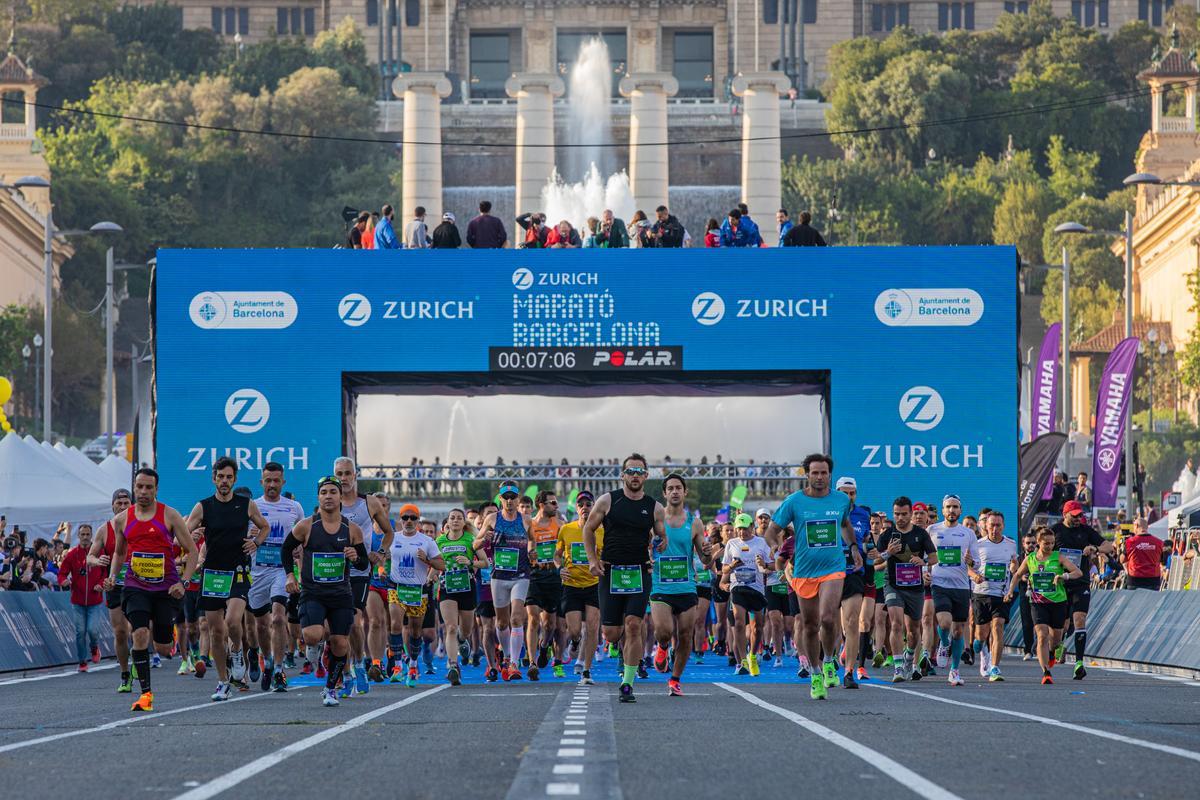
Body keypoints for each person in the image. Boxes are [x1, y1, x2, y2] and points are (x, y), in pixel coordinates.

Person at [104, 468, 200, 712]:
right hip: (136, 586)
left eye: (149, 487)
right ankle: (145, 694)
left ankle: (173, 641)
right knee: (139, 633)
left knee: (163, 648)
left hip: (165, 588)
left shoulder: (170, 515)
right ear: (134, 488)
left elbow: (192, 551)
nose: (143, 492)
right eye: (140, 487)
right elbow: (119, 552)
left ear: (156, 489)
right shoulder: (122, 519)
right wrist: (113, 576)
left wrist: (184, 581)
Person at [768, 453, 859, 699]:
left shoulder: (841, 500)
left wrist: (852, 547)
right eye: (815, 473)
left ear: (830, 475)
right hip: (804, 571)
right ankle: (815, 674)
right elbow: (772, 530)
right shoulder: (794, 502)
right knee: (810, 625)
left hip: (833, 567)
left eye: (824, 473)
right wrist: (776, 549)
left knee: (828, 618)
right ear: (807, 475)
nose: (820, 477)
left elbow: (845, 524)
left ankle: (829, 661)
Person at [582, 453, 667, 704]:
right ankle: (616, 646)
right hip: (611, 571)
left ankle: (627, 683)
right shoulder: (608, 501)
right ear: (622, 475)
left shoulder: (655, 507)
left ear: (646, 475)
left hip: (640, 572)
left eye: (639, 471)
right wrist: (592, 560)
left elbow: (662, 537)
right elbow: (588, 528)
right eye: (630, 471)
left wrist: (660, 544)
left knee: (633, 625)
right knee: (610, 632)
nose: (635, 476)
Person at [185, 457, 271, 702]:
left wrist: (255, 543)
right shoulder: (203, 506)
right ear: (214, 478)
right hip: (213, 572)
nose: (224, 481)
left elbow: (264, 527)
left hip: (238, 570)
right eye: (220, 476)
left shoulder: (246, 504)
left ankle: (236, 651)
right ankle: (223, 682)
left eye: (229, 477)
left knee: (233, 622)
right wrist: (192, 532)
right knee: (215, 630)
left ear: (234, 479)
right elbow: (184, 530)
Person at [282, 476, 371, 707]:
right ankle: (316, 647)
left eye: (333, 492)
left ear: (341, 497)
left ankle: (330, 689)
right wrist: (290, 575)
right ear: (318, 497)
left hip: (341, 593)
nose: (329, 496)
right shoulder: (306, 526)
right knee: (312, 634)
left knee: (341, 643)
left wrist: (356, 557)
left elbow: (363, 564)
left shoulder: (352, 530)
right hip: (313, 591)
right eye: (324, 493)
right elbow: (286, 549)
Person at [334, 457, 394, 694]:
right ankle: (347, 669)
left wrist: (379, 553)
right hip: (334, 570)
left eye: (348, 473)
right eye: (340, 473)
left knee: (353, 620)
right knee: (336, 627)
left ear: (355, 475)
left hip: (360, 569)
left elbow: (388, 532)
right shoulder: (328, 501)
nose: (344, 478)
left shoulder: (368, 502)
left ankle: (358, 664)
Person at [248, 462, 306, 693]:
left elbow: (303, 536)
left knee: (279, 618)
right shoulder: (252, 507)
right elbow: (240, 538)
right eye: (268, 480)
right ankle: (268, 662)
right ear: (261, 482)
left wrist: (299, 549)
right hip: (257, 572)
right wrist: (250, 535)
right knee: (261, 625)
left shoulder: (294, 507)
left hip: (282, 570)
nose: (272, 485)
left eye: (276, 481)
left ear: (283, 482)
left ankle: (280, 670)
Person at [649, 473, 707, 696]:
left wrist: (709, 554)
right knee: (664, 631)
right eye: (670, 488)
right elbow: (644, 545)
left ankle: (675, 679)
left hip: (686, 587)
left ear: (685, 492)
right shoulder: (655, 520)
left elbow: (704, 559)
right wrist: (648, 556)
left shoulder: (695, 523)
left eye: (678, 488)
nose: (674, 491)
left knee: (685, 635)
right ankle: (663, 647)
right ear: (664, 493)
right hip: (661, 585)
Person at [1005, 526, 1083, 684]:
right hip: (1038, 602)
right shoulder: (1030, 559)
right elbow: (1018, 575)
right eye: (1046, 543)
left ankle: (1053, 652)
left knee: (1055, 639)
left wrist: (1064, 576)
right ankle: (1045, 672)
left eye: (1052, 543)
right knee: (1041, 635)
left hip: (1058, 602)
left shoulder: (1058, 557)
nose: (1049, 546)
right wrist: (1010, 591)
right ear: (1038, 543)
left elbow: (1078, 572)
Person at [875, 496, 936, 683]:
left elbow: (934, 558)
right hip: (892, 584)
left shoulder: (921, 534)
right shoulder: (887, 535)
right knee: (895, 624)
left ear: (910, 514)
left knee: (913, 631)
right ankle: (898, 666)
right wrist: (888, 553)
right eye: (896, 514)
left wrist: (923, 561)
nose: (899, 518)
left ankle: (910, 656)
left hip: (915, 587)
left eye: (903, 514)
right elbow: (876, 562)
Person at [477, 480, 533, 681]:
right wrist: (485, 539)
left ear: (517, 499)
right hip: (499, 576)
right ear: (500, 499)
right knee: (501, 623)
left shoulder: (526, 520)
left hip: (521, 575)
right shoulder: (492, 518)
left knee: (517, 617)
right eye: (506, 497)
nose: (509, 501)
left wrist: (532, 552)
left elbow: (532, 542)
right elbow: (475, 544)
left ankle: (514, 663)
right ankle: (507, 656)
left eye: (513, 497)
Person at [1051, 499, 1112, 679]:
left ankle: (1079, 663)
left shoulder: (1086, 531)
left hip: (1081, 582)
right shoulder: (1055, 530)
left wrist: (1094, 547)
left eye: (1080, 515)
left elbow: (1109, 546)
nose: (1078, 519)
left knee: (1079, 619)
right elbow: (1042, 551)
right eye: (1075, 516)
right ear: (1065, 515)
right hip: (1060, 582)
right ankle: (1058, 645)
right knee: (1060, 626)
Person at [388, 504, 445, 687]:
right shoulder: (392, 538)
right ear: (401, 520)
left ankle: (413, 665)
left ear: (418, 520)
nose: (409, 521)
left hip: (418, 590)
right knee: (396, 624)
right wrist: (381, 568)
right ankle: (397, 666)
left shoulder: (427, 541)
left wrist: (427, 560)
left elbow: (442, 565)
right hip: (397, 588)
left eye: (413, 518)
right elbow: (381, 557)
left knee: (415, 630)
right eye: (406, 518)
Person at [927, 494, 977, 687]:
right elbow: (924, 556)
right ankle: (944, 642)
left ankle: (954, 671)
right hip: (939, 584)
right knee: (945, 623)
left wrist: (972, 562)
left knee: (958, 631)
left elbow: (977, 562)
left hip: (962, 586)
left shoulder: (968, 534)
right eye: (948, 507)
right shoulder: (932, 530)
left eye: (955, 507)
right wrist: (925, 573)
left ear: (960, 510)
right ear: (942, 510)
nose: (951, 510)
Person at [89, 489, 135, 692]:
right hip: (114, 585)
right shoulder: (104, 530)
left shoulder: (140, 526)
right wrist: (98, 560)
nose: (123, 507)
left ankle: (139, 659)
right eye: (120, 503)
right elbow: (89, 556)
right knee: (120, 632)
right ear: (113, 506)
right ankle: (125, 673)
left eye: (127, 503)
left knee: (139, 630)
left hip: (138, 584)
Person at [834, 477, 877, 687]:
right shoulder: (828, 512)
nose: (849, 497)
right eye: (844, 493)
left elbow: (866, 542)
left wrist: (870, 551)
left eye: (852, 493)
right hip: (830, 573)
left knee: (852, 621)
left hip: (854, 572)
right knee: (829, 623)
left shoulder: (863, 514)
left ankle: (849, 672)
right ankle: (828, 660)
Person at [556, 490, 602, 684]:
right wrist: (560, 568)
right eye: (581, 504)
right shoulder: (566, 529)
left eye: (588, 504)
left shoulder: (602, 530)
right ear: (576, 508)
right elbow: (557, 555)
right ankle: (575, 642)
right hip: (572, 585)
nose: (585, 507)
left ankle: (587, 671)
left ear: (593, 507)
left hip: (594, 584)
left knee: (592, 627)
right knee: (574, 630)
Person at [435, 508, 485, 685]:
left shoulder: (471, 540)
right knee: (450, 627)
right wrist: (431, 575)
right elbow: (436, 563)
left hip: (467, 587)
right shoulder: (439, 541)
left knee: (466, 630)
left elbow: (485, 562)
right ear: (447, 522)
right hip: (447, 586)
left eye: (459, 518)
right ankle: (453, 665)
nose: (455, 520)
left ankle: (463, 641)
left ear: (464, 523)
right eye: (452, 518)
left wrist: (470, 562)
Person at [967, 510, 1017, 681]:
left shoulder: (1011, 544)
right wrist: (974, 576)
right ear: (985, 526)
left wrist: (1013, 567)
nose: (995, 529)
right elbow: (967, 567)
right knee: (981, 634)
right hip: (981, 593)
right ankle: (981, 647)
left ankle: (994, 667)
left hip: (1001, 593)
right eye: (992, 525)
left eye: (998, 525)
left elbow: (1014, 564)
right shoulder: (978, 545)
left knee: (998, 627)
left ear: (1003, 526)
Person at [722, 512, 772, 677]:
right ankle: (742, 660)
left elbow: (772, 566)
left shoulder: (761, 542)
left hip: (756, 588)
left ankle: (752, 656)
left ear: (752, 527)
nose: (742, 532)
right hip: (738, 587)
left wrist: (763, 564)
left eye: (745, 528)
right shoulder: (731, 543)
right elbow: (724, 569)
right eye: (739, 529)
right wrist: (732, 566)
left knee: (758, 627)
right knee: (738, 621)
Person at [526, 490, 565, 679]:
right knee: (533, 618)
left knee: (550, 624)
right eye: (553, 503)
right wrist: (528, 554)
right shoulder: (529, 525)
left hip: (553, 575)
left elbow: (567, 548)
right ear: (541, 504)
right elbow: (521, 548)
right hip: (534, 575)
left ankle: (543, 647)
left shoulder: (560, 525)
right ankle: (532, 662)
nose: (556, 506)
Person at [58, 524, 105, 672]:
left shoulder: (99, 553)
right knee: (80, 632)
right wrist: (63, 581)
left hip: (95, 601)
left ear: (92, 536)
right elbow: (62, 573)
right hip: (77, 601)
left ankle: (94, 647)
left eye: (87, 534)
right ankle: (82, 661)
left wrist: (100, 584)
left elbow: (106, 573)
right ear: (78, 536)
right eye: (82, 534)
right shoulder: (72, 555)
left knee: (92, 630)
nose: (85, 537)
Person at [1122, 518, 1164, 590]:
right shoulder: (1159, 542)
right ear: (1147, 527)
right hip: (1153, 580)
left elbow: (1122, 559)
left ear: (1136, 526)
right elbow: (1162, 560)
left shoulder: (1129, 542)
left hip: (1135, 580)